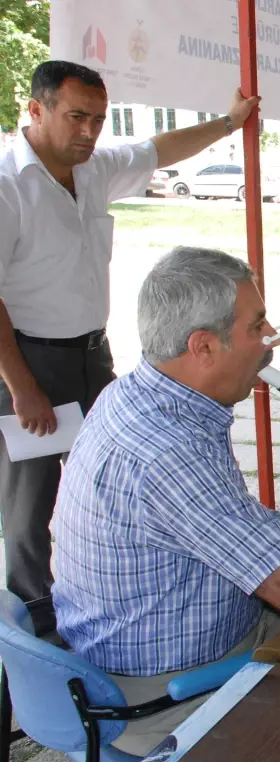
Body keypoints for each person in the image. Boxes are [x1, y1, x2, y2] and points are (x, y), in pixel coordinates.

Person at [0, 60, 260, 636]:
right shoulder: (7, 184)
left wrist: (227, 123)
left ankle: (107, 588)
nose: (90, 131)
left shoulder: (90, 169)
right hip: (27, 362)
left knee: (109, 476)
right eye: (76, 117)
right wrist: (23, 388)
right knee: (28, 504)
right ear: (35, 110)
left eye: (97, 118)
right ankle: (35, 631)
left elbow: (158, 149)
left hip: (91, 354)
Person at [52, 247, 280, 754]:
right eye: (257, 327)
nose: (271, 340)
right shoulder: (169, 453)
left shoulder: (135, 394)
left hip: (122, 655)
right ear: (203, 345)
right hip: (163, 695)